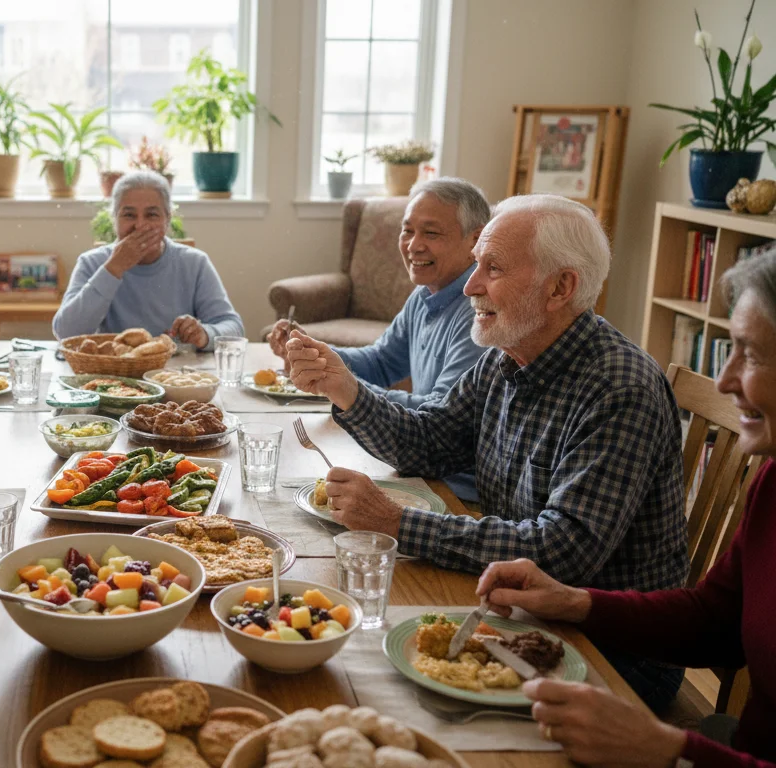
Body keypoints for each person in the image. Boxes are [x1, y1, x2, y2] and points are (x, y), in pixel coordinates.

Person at [285, 194, 688, 710]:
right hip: (516, 613)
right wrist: (345, 388)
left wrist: (397, 522)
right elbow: (429, 442)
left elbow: (563, 551)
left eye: (492, 268)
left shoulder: (618, 387)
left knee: (368, 686)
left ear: (560, 288)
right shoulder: (508, 354)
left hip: (612, 656)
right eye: (477, 265)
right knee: (355, 659)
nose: (471, 286)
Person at [473, 253, 776, 767]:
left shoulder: (620, 382)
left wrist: (669, 750)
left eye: (749, 355)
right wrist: (575, 603)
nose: (725, 381)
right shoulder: (771, 480)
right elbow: (716, 621)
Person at [269, 178, 490, 501]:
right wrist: (316, 352)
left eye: (431, 233)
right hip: (417, 466)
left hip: (452, 491)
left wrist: (346, 388)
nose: (413, 245)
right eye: (407, 230)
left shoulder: (480, 313)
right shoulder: (425, 295)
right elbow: (382, 362)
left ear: (476, 239)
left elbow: (437, 417)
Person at [52, 170, 244, 350]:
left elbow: (233, 328)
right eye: (129, 215)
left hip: (175, 375)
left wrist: (205, 334)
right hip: (115, 375)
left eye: (152, 215)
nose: (140, 225)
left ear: (167, 219)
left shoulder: (194, 263)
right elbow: (65, 334)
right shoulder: (92, 263)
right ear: (114, 219)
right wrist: (114, 268)